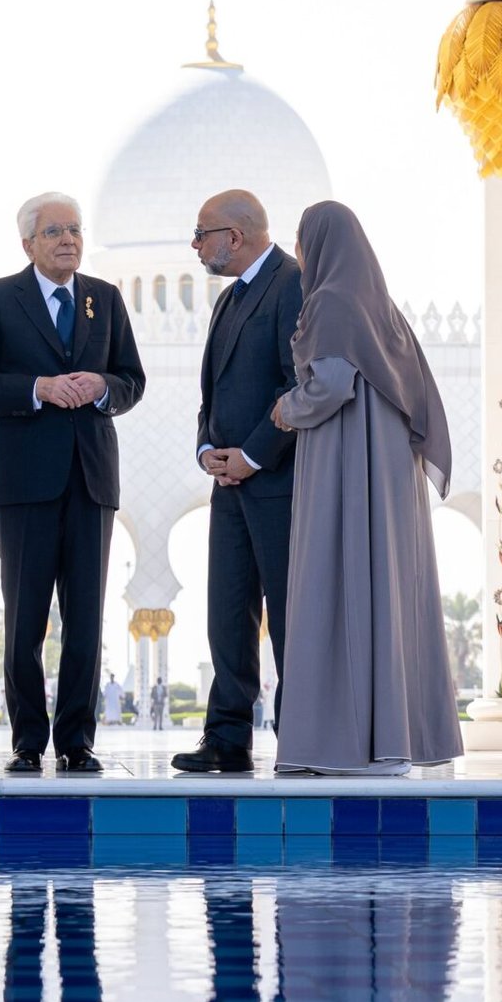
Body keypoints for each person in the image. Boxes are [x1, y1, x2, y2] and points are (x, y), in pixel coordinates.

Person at [0, 194, 145, 777]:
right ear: (28, 243)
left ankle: (77, 741)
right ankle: (27, 741)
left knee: (86, 618)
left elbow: (132, 380)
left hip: (91, 481)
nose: (68, 239)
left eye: (75, 230)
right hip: (23, 485)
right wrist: (37, 388)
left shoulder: (104, 300)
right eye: (55, 231)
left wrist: (101, 386)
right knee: (26, 618)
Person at [269, 201, 461, 775]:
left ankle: (341, 744)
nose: (300, 255)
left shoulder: (329, 301)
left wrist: (286, 408)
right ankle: (393, 742)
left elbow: (330, 386)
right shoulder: (383, 310)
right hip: (388, 473)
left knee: (338, 581)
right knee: (388, 588)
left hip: (346, 462)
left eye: (303, 242)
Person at [173, 190, 303, 777]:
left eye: (202, 234)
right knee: (227, 612)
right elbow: (213, 394)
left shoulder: (291, 283)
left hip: (277, 482)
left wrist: (252, 455)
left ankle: (301, 733)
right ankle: (226, 737)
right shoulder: (230, 300)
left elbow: (295, 385)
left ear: (237, 235)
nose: (196, 246)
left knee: (287, 610)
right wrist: (209, 450)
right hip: (229, 486)